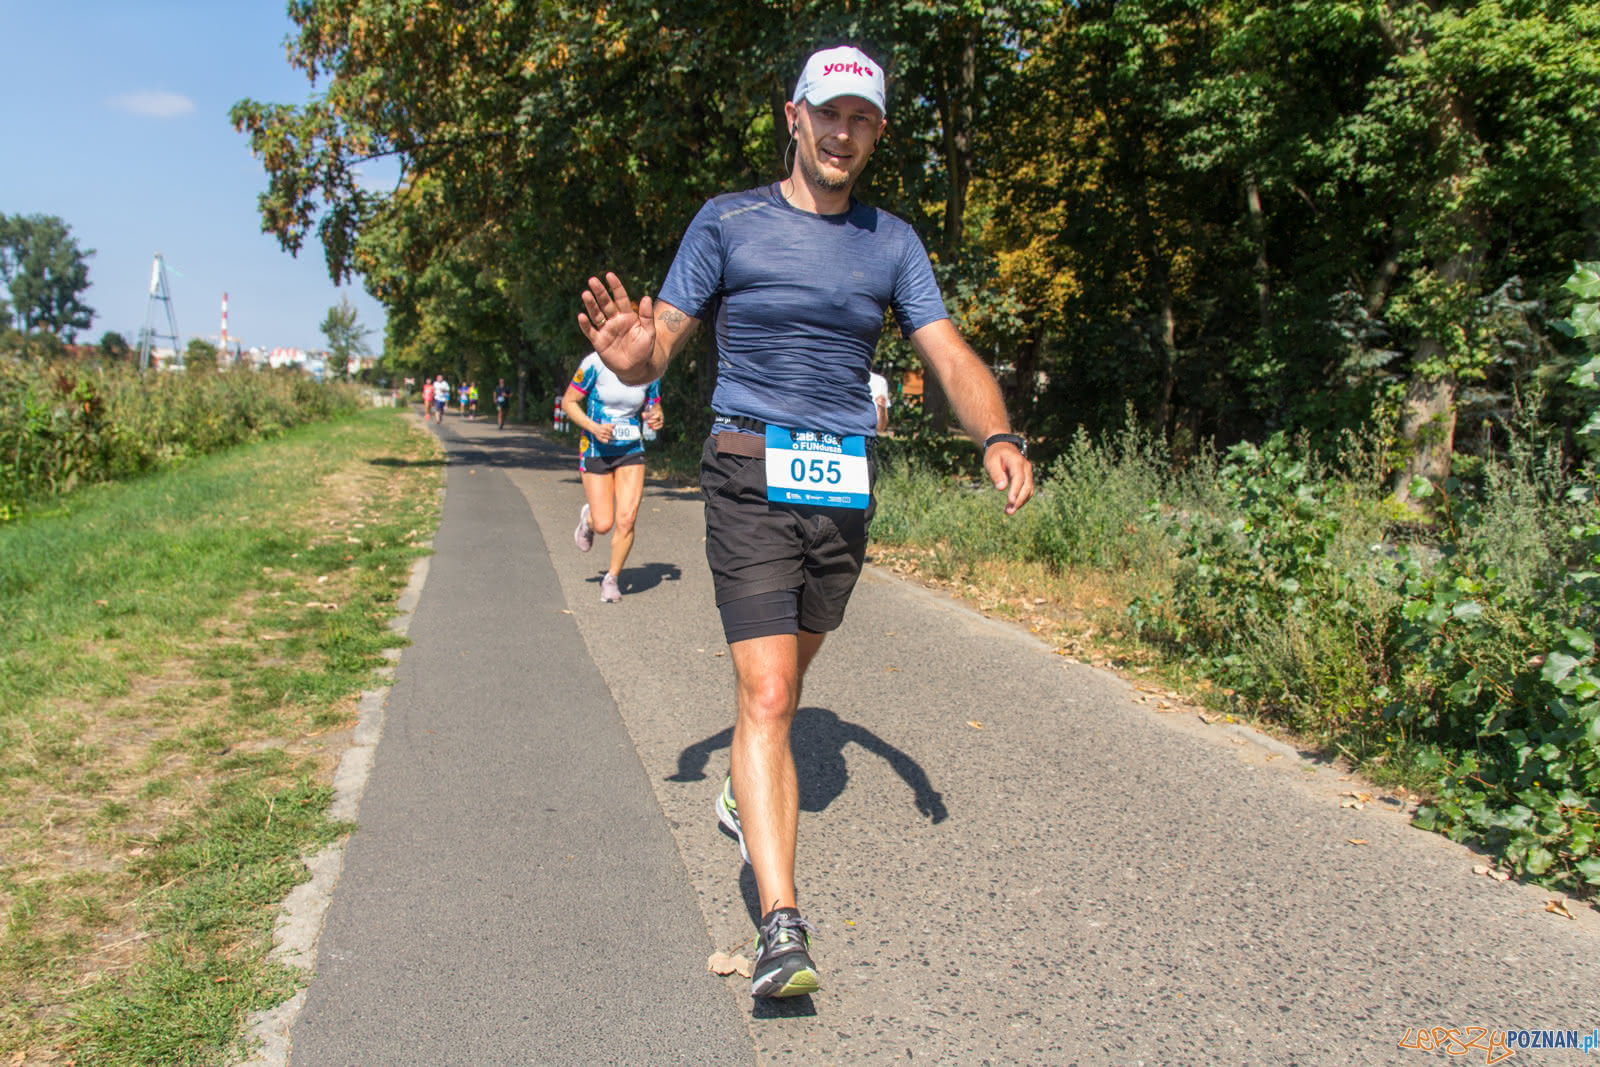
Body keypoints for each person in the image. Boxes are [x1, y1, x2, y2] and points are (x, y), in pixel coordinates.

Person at [576, 43, 1032, 999]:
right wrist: (632, 357)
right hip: (747, 467)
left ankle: (743, 782)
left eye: (862, 119)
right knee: (772, 692)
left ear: (877, 134)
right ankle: (782, 927)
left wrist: (995, 430)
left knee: (793, 667)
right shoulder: (727, 221)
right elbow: (658, 347)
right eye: (829, 113)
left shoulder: (891, 242)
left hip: (841, 485)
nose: (842, 133)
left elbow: (946, 351)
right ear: (795, 116)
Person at [563, 351, 664, 603]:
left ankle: (611, 578)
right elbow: (568, 402)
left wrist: (656, 416)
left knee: (627, 519)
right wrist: (594, 427)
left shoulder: (650, 367)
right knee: (603, 524)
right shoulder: (595, 363)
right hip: (596, 448)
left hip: (631, 449)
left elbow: (653, 406)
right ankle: (588, 521)